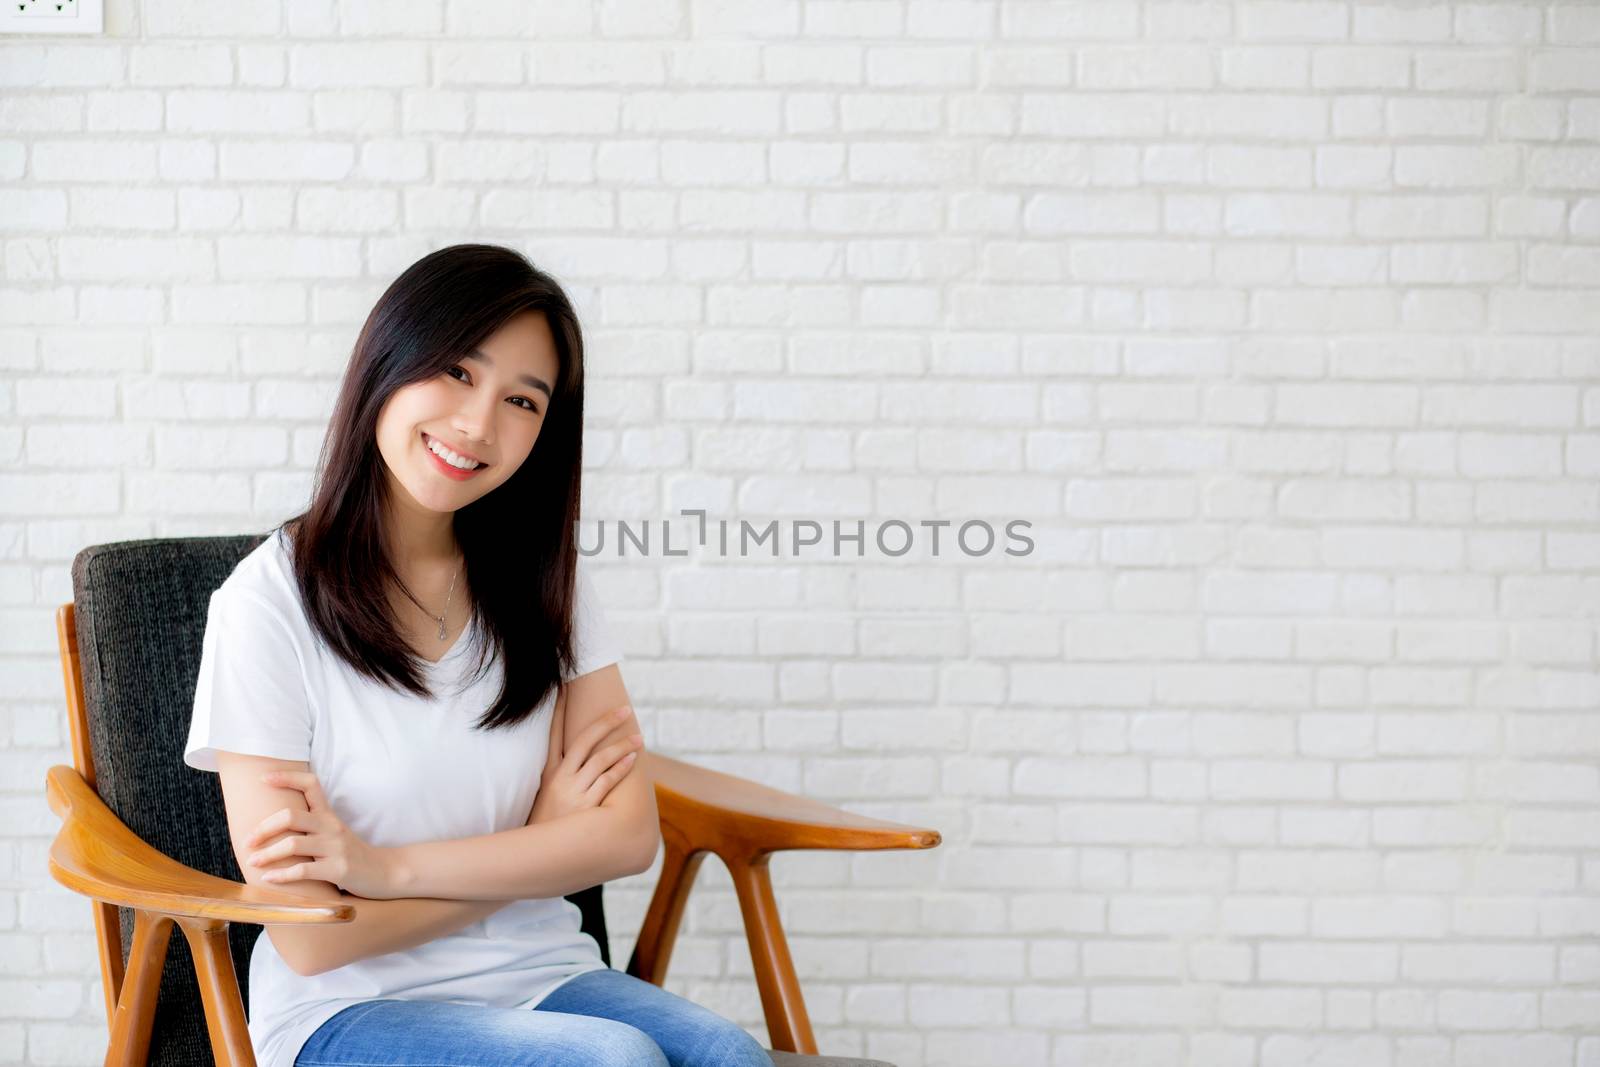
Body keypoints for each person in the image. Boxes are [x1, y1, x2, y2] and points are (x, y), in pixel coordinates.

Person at [183, 244, 774, 1067]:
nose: (478, 424)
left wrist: (386, 871)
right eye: (459, 372)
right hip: (348, 1010)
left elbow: (626, 837)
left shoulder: (547, 587)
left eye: (523, 400)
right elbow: (311, 939)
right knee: (614, 1062)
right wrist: (538, 844)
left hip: (544, 973)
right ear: (388, 362)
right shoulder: (265, 608)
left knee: (727, 1055)